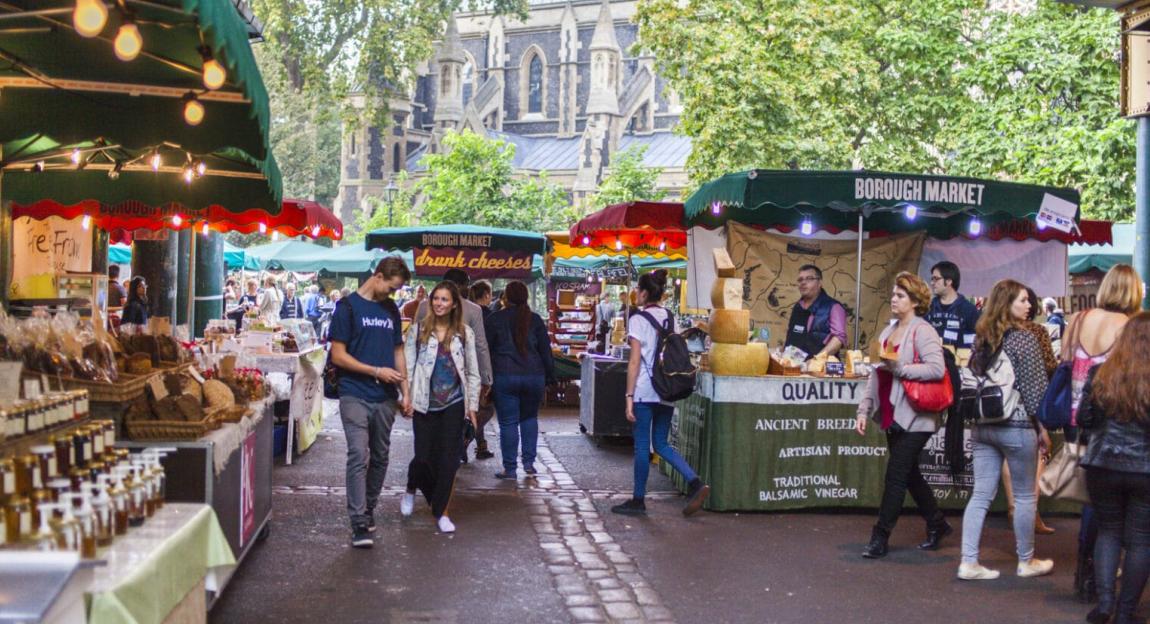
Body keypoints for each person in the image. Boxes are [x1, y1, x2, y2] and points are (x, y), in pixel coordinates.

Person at [957, 279, 1053, 581]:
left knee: (981, 494)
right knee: (1025, 496)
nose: (1029, 306)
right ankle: (1026, 560)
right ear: (1007, 303)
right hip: (1018, 423)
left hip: (983, 424)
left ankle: (968, 561)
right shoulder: (1025, 339)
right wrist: (1044, 428)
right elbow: (1035, 390)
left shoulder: (983, 338)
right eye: (1022, 301)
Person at [1062, 264, 1143, 602]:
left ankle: (1087, 571)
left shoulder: (1078, 320)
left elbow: (1063, 365)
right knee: (1117, 509)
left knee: (1091, 497)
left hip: (1075, 417)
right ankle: (1106, 574)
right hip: (1111, 421)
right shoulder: (1131, 328)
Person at [854, 271, 949, 559]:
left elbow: (937, 368)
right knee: (909, 475)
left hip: (918, 415)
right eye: (894, 295)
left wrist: (901, 370)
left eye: (900, 296)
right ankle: (937, 523)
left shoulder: (923, 331)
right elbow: (875, 374)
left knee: (896, 474)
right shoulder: (887, 331)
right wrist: (863, 409)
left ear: (915, 301)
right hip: (892, 413)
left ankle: (880, 537)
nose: (893, 299)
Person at [612, 270, 710, 517]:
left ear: (644, 293)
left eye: (637, 290)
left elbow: (634, 362)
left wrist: (628, 398)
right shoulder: (670, 317)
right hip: (667, 388)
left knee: (642, 446)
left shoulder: (637, 319)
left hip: (645, 389)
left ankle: (638, 499)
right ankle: (695, 482)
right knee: (662, 443)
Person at [328, 257, 411, 548]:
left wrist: (406, 391)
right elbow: (338, 356)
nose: (393, 294)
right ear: (377, 276)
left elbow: (398, 351)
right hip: (354, 393)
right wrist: (375, 371)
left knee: (380, 456)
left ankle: (369, 507)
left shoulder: (391, 310)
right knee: (357, 454)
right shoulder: (347, 307)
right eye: (391, 287)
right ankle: (358, 521)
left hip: (385, 398)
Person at [1077, 312, 1150, 624]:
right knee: (1141, 539)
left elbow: (1083, 420)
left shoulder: (1100, 374)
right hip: (1145, 470)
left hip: (1102, 465)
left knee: (1108, 532)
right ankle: (1126, 612)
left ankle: (1105, 604)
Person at [400, 281, 480, 534]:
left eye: (445, 299)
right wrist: (406, 398)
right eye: (436, 299)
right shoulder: (419, 330)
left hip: (454, 404)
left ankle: (441, 511)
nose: (439, 303)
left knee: (449, 460)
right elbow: (408, 367)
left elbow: (472, 373)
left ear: (454, 303)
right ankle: (412, 485)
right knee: (423, 457)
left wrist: (473, 409)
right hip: (424, 403)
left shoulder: (465, 333)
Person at [1001, 287, 1057, 536]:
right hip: (1028, 405)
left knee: (1005, 458)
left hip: (999, 407)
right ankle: (1029, 513)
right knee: (1038, 455)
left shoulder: (993, 332)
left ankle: (1014, 508)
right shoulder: (1036, 332)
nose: (1027, 305)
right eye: (1023, 301)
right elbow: (1048, 367)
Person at [486, 281, 554, 479]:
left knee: (508, 423)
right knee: (530, 418)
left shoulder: (495, 319)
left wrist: (485, 378)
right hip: (534, 376)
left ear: (506, 298)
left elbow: (486, 350)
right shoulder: (535, 320)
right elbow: (545, 351)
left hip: (505, 376)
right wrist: (550, 376)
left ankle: (510, 469)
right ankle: (529, 464)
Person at [417, 269, 493, 441]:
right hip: (460, 373)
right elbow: (480, 345)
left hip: (429, 370)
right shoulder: (474, 310)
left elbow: (416, 341)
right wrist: (486, 377)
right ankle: (453, 448)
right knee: (456, 413)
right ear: (460, 285)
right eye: (466, 284)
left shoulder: (424, 306)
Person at [784, 264, 847, 359]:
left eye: (809, 278)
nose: (803, 282)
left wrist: (816, 360)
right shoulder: (797, 306)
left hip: (820, 370)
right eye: (800, 279)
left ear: (820, 283)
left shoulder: (834, 307)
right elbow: (790, 337)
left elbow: (838, 339)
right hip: (793, 368)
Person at [469, 281, 497, 460]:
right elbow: (487, 346)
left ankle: (481, 445)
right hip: (484, 367)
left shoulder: (466, 312)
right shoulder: (490, 316)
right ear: (486, 295)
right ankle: (465, 438)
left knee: (475, 407)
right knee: (486, 409)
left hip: (466, 366)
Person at [925, 260, 981, 350]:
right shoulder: (927, 307)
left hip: (959, 362)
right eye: (932, 279)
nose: (932, 283)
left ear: (949, 281)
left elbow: (978, 342)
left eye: (936, 279)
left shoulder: (969, 310)